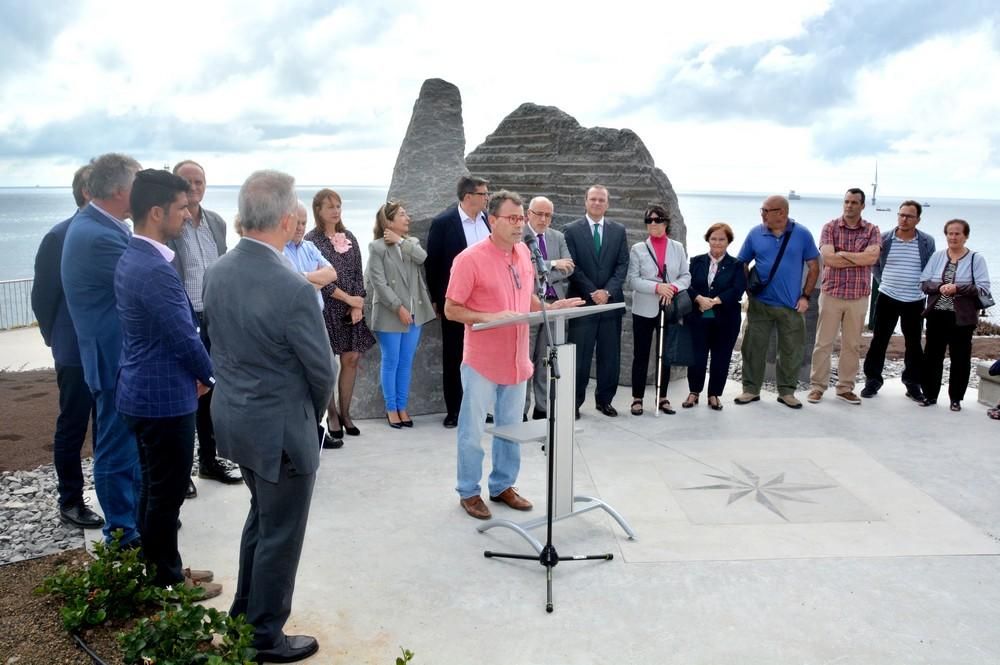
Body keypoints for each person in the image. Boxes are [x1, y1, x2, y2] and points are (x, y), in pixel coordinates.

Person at [203, 170, 335, 662]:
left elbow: (218, 346)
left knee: (261, 520)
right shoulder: (293, 288)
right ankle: (263, 637)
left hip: (237, 421)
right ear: (285, 219)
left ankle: (244, 614)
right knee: (280, 534)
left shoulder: (218, 270)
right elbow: (321, 372)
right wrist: (312, 419)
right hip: (280, 431)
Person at [114, 169, 220, 598]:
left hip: (144, 391)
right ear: (157, 212)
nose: (187, 212)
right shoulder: (153, 267)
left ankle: (159, 566)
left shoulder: (136, 256)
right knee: (166, 492)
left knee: (154, 488)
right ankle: (168, 580)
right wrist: (209, 375)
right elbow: (183, 334)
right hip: (161, 397)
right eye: (180, 207)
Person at [445, 190, 582, 520]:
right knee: (472, 430)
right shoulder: (469, 259)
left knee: (511, 427)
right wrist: (488, 317)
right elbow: (451, 309)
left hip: (517, 360)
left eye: (522, 218)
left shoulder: (523, 253)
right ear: (492, 221)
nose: (520, 224)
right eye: (513, 218)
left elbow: (527, 300)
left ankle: (503, 485)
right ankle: (469, 491)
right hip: (481, 361)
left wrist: (552, 306)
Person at [61, 152, 143, 546]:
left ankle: (136, 528)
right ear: (118, 190)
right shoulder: (98, 236)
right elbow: (145, 281)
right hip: (114, 358)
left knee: (128, 446)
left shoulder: (102, 226)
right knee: (116, 448)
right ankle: (123, 537)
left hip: (117, 355)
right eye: (138, 184)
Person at [30, 163, 104, 530]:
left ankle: (112, 494)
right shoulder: (58, 237)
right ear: (89, 193)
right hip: (74, 350)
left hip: (106, 350)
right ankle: (71, 499)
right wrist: (54, 338)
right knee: (73, 425)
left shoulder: (115, 232)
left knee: (106, 424)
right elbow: (42, 296)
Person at [169, 160, 242, 493]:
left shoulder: (216, 222)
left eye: (199, 181)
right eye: (187, 182)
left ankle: (210, 461)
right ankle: (179, 472)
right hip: (184, 318)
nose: (194, 187)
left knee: (211, 392)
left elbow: (225, 267)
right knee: (184, 394)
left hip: (214, 316)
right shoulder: (171, 224)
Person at [735, 195, 820, 409]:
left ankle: (787, 392)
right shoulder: (755, 233)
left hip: (791, 306)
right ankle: (750, 390)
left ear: (781, 212)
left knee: (792, 349)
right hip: (760, 304)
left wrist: (805, 296)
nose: (761, 213)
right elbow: (742, 262)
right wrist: (748, 290)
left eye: (765, 210)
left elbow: (814, 266)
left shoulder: (802, 234)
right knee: (753, 347)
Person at [306, 189, 376, 439]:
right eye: (330, 207)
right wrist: (347, 299)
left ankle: (346, 413)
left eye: (338, 205)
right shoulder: (311, 240)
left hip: (352, 307)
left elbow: (358, 273)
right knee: (328, 364)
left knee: (352, 359)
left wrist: (357, 304)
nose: (335, 211)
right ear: (318, 210)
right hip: (327, 307)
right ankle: (332, 415)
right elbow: (317, 278)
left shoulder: (350, 237)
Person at [426, 176, 492, 428]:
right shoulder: (444, 223)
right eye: (483, 193)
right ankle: (455, 409)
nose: (487, 198)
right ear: (468, 196)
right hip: (457, 301)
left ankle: (481, 407)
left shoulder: (488, 221)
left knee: (484, 356)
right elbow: (433, 264)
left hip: (487, 302)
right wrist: (437, 299)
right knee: (454, 355)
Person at [806, 189, 881, 405]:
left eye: (854, 202)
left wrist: (844, 255)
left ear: (862, 205)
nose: (849, 206)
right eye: (846, 201)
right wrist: (859, 258)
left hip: (858, 296)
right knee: (823, 343)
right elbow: (828, 259)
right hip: (832, 294)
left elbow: (872, 256)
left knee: (852, 344)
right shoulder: (830, 227)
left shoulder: (872, 230)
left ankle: (845, 387)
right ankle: (817, 387)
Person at [366, 201, 435, 428]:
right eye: (403, 215)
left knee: (406, 362)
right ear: (389, 221)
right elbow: (379, 283)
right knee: (391, 361)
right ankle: (391, 408)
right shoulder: (376, 248)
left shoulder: (410, 243)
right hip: (390, 314)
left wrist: (400, 241)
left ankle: (403, 407)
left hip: (415, 313)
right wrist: (399, 308)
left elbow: (422, 258)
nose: (408, 218)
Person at [564, 185, 630, 418]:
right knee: (579, 358)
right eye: (593, 199)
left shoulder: (618, 230)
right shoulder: (570, 230)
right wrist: (593, 291)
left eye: (602, 200)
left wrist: (608, 292)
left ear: (607, 204)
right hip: (582, 303)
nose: (597, 203)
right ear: (585, 202)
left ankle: (605, 401)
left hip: (610, 304)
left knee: (609, 356)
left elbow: (622, 265)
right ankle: (574, 403)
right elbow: (572, 266)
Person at [862, 200, 935, 400]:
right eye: (901, 214)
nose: (904, 219)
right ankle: (872, 381)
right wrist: (883, 281)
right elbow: (875, 265)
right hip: (887, 297)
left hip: (914, 300)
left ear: (917, 219)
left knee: (913, 344)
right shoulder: (884, 238)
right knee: (879, 341)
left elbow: (929, 268)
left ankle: (912, 384)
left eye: (909, 216)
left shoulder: (927, 241)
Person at [284, 202, 341, 449]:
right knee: (300, 380)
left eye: (304, 222)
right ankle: (303, 435)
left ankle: (317, 429)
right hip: (295, 324)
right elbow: (291, 285)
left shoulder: (309, 247)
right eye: (296, 222)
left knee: (325, 373)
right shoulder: (278, 251)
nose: (300, 227)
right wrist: (312, 280)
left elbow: (332, 273)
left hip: (317, 320)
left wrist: (304, 278)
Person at [918, 219, 991, 411]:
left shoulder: (976, 259)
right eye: (950, 233)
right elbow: (924, 283)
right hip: (936, 314)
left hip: (962, 318)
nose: (953, 237)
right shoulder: (937, 256)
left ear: (966, 236)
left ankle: (956, 398)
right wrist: (939, 287)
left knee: (960, 358)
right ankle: (930, 395)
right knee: (932, 356)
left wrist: (957, 288)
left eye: (958, 233)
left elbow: (983, 288)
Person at [626, 205, 690, 415]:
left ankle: (662, 397)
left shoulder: (677, 248)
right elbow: (633, 280)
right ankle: (637, 398)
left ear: (666, 222)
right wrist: (656, 287)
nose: (653, 224)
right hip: (644, 308)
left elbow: (685, 276)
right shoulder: (638, 249)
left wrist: (671, 288)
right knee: (641, 354)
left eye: (657, 219)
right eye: (649, 220)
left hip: (668, 306)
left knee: (665, 354)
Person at [522, 196, 574, 421]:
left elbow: (569, 267)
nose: (543, 219)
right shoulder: (520, 236)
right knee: (525, 360)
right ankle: (520, 409)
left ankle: (541, 407)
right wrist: (552, 264)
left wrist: (543, 270)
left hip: (555, 304)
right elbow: (523, 268)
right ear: (528, 214)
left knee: (546, 360)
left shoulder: (558, 237)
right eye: (539, 214)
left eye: (548, 215)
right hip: (529, 305)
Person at [685, 222, 746, 411]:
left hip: (726, 318)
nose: (717, 242)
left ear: (728, 241)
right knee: (696, 356)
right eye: (713, 238)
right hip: (698, 315)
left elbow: (738, 289)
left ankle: (714, 395)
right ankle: (694, 392)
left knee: (721, 357)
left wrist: (716, 300)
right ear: (707, 240)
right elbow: (687, 284)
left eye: (722, 239)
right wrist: (698, 298)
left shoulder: (737, 265)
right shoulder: (696, 261)